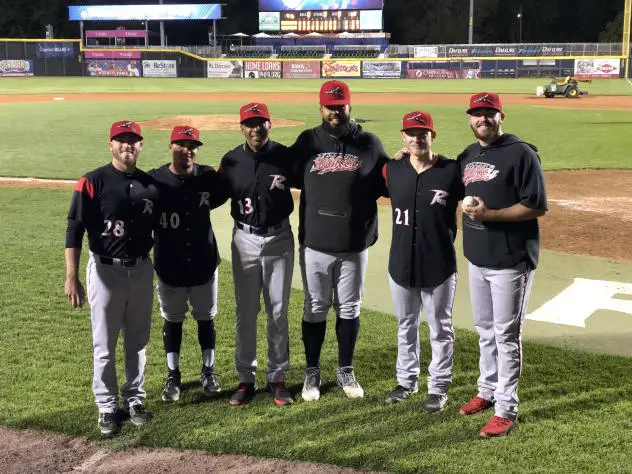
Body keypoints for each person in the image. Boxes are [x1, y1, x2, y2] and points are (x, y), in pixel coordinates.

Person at [291, 80, 389, 401]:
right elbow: (281, 173)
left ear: (350, 106)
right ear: (320, 108)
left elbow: (390, 182)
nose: (336, 111)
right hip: (315, 244)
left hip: (354, 244)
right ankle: (312, 372)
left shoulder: (370, 144)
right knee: (315, 307)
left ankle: (345, 369)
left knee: (349, 307)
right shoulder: (306, 142)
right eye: (330, 106)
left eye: (341, 105)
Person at [457, 92, 547, 437]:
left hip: (511, 259)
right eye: (477, 114)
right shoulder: (469, 155)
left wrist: (490, 214)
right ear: (469, 119)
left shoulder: (521, 153)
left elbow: (536, 205)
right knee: (484, 331)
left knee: (506, 335)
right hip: (477, 257)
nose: (483, 119)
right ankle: (486, 390)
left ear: (501, 116)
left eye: (489, 113)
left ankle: (506, 408)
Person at [64, 120, 158, 435]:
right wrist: (71, 276)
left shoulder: (151, 185)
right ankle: (106, 406)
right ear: (111, 145)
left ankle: (134, 400)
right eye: (121, 140)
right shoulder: (92, 181)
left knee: (138, 341)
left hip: (143, 269)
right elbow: (74, 228)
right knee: (104, 344)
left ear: (140, 145)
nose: (127, 145)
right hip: (105, 270)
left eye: (132, 140)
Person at [383, 111, 463, 412]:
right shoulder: (391, 169)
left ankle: (439, 387)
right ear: (403, 137)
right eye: (411, 133)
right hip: (401, 261)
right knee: (406, 325)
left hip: (439, 264)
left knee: (440, 328)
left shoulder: (452, 171)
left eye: (423, 132)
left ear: (433, 136)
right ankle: (406, 382)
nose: (417, 138)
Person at [217, 103, 295, 406]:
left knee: (278, 311)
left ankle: (277, 377)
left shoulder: (285, 157)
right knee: (246, 312)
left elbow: (317, 178)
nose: (255, 129)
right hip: (245, 240)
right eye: (249, 124)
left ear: (270, 125)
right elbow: (210, 193)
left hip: (280, 239)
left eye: (260, 123)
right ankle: (245, 378)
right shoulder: (232, 160)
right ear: (241, 128)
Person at [148, 126, 224, 402]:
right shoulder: (154, 180)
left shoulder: (207, 177)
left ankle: (208, 370)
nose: (188, 150)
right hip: (169, 264)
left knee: (206, 318)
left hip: (204, 262)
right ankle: (173, 374)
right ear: (171, 146)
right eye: (182, 145)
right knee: (173, 320)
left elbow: (222, 194)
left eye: (192, 145)